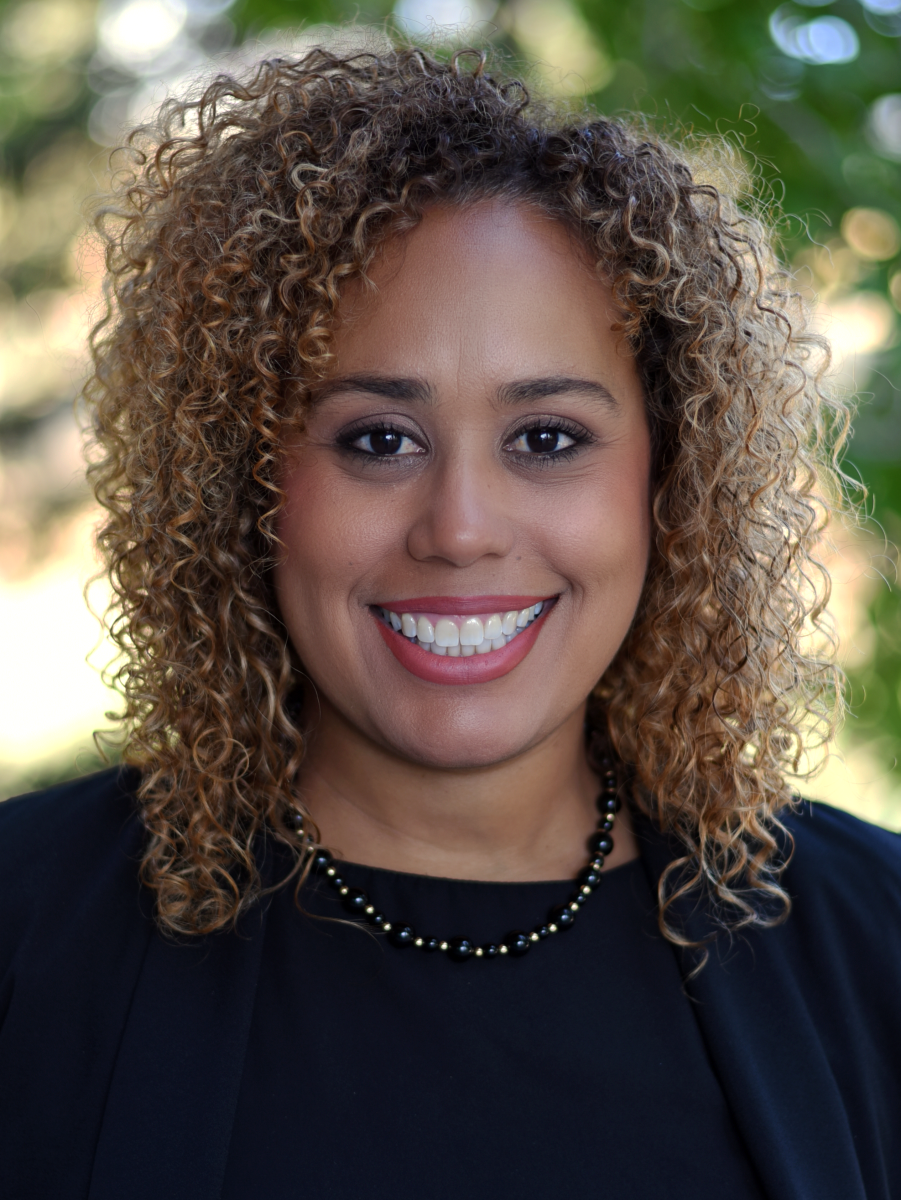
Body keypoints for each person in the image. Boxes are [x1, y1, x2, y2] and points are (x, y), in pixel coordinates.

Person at [1, 43, 899, 1200]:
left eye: (546, 439)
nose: (461, 528)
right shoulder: (26, 936)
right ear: (248, 486)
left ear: (668, 483)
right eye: (378, 439)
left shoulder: (872, 943)